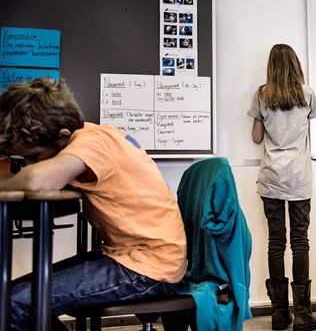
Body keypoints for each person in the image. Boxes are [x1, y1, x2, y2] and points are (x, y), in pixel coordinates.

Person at [0, 78, 187, 331]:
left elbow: (36, 180)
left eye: (34, 157)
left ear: (62, 137)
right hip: (131, 258)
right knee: (11, 297)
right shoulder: (93, 137)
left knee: (15, 304)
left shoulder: (92, 142)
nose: (31, 165)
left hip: (147, 269)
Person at [247, 44, 316, 331]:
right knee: (300, 241)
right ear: (295, 64)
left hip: (271, 177)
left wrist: (265, 122)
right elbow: (309, 131)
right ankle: (303, 314)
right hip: (299, 178)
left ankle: (279, 315)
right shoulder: (307, 94)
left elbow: (256, 138)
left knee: (275, 243)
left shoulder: (262, 94)